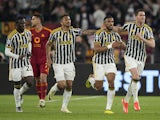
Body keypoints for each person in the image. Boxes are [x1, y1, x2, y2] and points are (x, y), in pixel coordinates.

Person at [46, 14, 96, 113]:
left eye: (69, 19)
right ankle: (55, 88)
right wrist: (48, 59)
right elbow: (48, 45)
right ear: (61, 22)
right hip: (58, 62)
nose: (68, 21)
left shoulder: (74, 31)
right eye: (66, 20)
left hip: (69, 62)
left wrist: (98, 31)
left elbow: (86, 32)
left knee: (69, 85)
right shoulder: (55, 33)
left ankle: (64, 107)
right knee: (62, 85)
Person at [113, 9, 155, 113]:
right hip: (130, 55)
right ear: (136, 17)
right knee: (135, 76)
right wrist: (108, 27)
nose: (143, 17)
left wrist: (142, 38)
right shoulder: (129, 26)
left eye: (144, 15)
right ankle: (136, 101)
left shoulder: (147, 29)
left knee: (134, 80)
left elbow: (152, 44)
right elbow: (119, 29)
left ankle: (126, 100)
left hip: (141, 57)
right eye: (141, 15)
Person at [85, 15, 126, 114]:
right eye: (109, 22)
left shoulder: (115, 35)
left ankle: (108, 108)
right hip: (99, 62)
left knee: (111, 81)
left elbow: (123, 46)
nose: (111, 23)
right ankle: (91, 79)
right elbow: (97, 49)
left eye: (112, 22)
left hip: (110, 62)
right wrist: (111, 45)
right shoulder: (99, 33)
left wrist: (122, 45)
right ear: (104, 23)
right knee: (98, 87)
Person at [5, 16, 34, 112]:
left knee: (30, 81)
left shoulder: (28, 33)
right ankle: (18, 106)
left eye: (24, 24)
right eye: (21, 24)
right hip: (15, 63)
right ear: (16, 25)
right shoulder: (11, 36)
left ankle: (21, 93)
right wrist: (18, 56)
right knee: (17, 84)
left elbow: (29, 43)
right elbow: (6, 52)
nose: (23, 25)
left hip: (26, 62)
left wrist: (29, 51)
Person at [30, 13, 51, 108]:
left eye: (33, 19)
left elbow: (53, 44)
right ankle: (40, 99)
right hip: (33, 59)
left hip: (44, 59)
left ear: (39, 20)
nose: (31, 21)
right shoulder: (29, 32)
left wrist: (52, 52)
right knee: (37, 79)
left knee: (43, 77)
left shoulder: (48, 32)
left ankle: (43, 99)